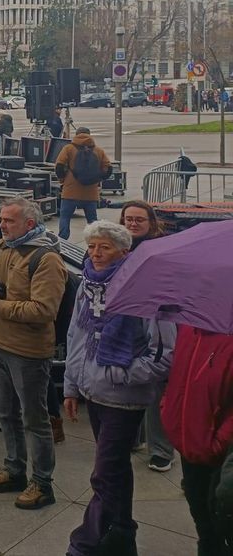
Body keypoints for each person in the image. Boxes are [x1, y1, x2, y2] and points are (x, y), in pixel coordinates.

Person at [63, 220, 175, 556]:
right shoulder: (88, 285)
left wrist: (120, 374)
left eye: (105, 247)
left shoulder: (147, 290)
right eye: (93, 246)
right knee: (116, 470)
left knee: (105, 471)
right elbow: (76, 337)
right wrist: (71, 385)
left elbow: (164, 353)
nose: (96, 253)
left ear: (124, 252)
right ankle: (122, 533)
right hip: (93, 391)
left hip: (123, 397)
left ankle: (86, 541)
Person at [0, 198, 67, 511]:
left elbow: (43, 310)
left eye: (9, 221)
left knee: (34, 419)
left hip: (28, 350)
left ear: (29, 223)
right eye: (1, 219)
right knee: (4, 411)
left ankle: (42, 483)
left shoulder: (46, 257)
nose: (1, 225)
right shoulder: (2, 247)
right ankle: (14, 469)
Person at [160, 322, 233, 555]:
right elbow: (178, 374)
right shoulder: (189, 327)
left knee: (220, 517)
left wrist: (219, 441)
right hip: (190, 441)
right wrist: (168, 409)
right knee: (202, 518)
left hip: (218, 450)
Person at [120, 200, 175, 474]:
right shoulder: (118, 246)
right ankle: (134, 438)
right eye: (128, 218)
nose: (132, 223)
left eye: (139, 219)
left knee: (155, 385)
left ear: (151, 222)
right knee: (130, 382)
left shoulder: (161, 249)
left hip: (157, 318)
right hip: (127, 321)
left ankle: (162, 450)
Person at [55, 127, 111, 241]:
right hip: (90, 192)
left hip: (70, 191)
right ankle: (95, 241)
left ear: (76, 134)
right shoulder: (98, 151)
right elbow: (108, 169)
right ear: (89, 135)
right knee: (92, 221)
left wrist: (63, 180)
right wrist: (97, 178)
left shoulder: (68, 148)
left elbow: (59, 166)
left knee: (65, 217)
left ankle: (63, 241)